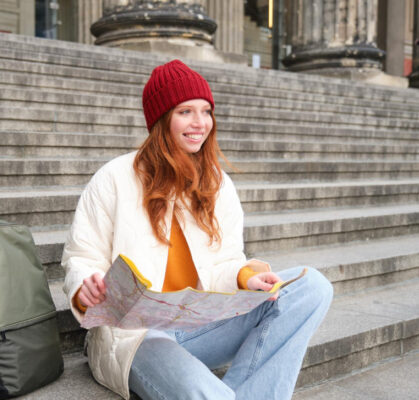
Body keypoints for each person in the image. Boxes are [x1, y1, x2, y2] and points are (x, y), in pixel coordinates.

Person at [61, 59, 333, 400]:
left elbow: (226, 262)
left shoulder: (218, 185)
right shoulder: (114, 178)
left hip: (201, 325)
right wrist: (84, 288)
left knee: (311, 287)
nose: (200, 123)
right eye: (185, 112)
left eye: (205, 111)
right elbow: (81, 257)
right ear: (161, 119)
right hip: (136, 336)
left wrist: (246, 276)